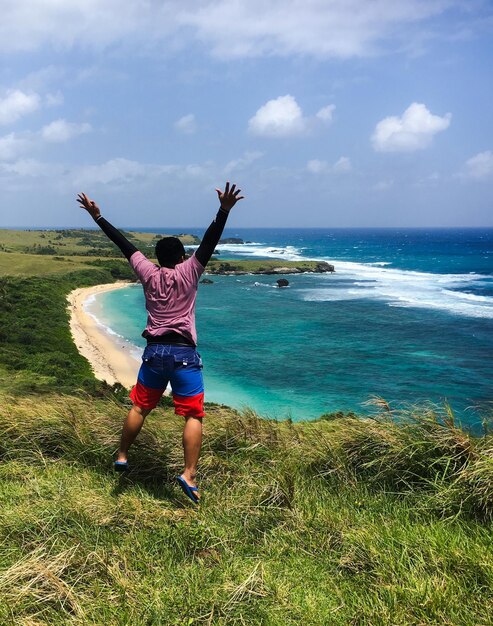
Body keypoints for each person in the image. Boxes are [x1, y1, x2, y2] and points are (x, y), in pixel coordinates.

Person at [77, 183, 244, 503]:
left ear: (156, 257)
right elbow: (210, 242)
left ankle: (123, 455)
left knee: (140, 406)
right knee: (193, 415)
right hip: (184, 354)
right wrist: (224, 210)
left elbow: (124, 245)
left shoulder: (146, 272)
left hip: (153, 351)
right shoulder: (191, 271)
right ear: (183, 257)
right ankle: (188, 474)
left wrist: (99, 218)